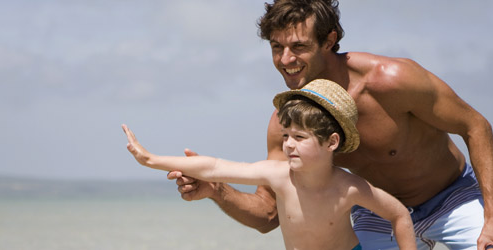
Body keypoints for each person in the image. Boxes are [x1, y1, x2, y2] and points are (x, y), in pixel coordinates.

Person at [167, 0, 493, 249]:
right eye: (277, 47)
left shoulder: (390, 80)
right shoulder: (287, 123)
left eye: (298, 47)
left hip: (450, 197)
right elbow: (268, 214)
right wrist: (217, 190)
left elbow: (475, 126)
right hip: (376, 214)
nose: (285, 60)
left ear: (330, 40)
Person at [124, 80, 416, 250]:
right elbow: (214, 167)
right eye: (286, 135)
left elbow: (399, 215)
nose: (288, 144)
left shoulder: (348, 187)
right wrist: (150, 159)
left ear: (332, 142)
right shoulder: (277, 175)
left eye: (300, 137)